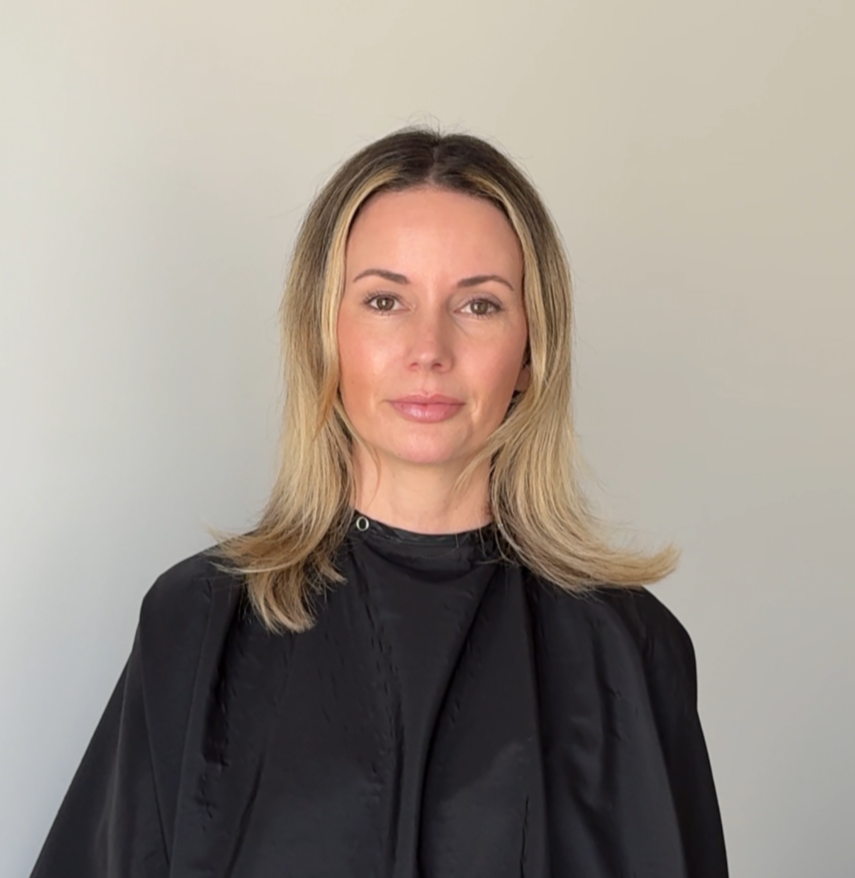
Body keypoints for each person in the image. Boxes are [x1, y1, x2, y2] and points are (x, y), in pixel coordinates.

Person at [30, 127, 728, 877]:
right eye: (386, 300)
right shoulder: (197, 626)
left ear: (532, 351)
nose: (428, 348)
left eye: (480, 305)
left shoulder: (630, 651)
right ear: (324, 334)